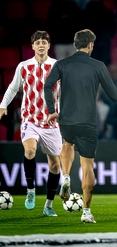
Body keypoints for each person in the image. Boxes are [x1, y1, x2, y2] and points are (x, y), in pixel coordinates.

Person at [44, 29, 117, 223]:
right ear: (91, 45)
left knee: (67, 144)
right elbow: (113, 96)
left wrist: (52, 110)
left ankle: (66, 177)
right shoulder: (98, 65)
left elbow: (47, 85)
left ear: (75, 44)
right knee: (87, 167)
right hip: (87, 122)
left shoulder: (61, 64)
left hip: (66, 120)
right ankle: (86, 212)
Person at [0, 31, 61, 217]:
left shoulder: (57, 66)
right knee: (29, 150)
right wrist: (3, 105)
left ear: (49, 46)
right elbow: (13, 87)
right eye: (37, 42)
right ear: (32, 46)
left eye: (44, 42)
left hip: (51, 121)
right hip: (30, 119)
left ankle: (49, 205)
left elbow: (67, 89)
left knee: (55, 166)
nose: (41, 45)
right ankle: (31, 190)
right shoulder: (23, 67)